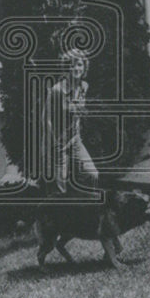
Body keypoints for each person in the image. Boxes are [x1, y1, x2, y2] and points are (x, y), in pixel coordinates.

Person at [42, 47, 100, 198]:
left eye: (79, 64)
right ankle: (56, 219)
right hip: (57, 143)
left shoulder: (84, 87)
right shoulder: (57, 90)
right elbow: (46, 119)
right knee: (59, 188)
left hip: (74, 140)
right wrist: (54, 145)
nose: (76, 68)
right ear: (66, 67)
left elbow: (78, 114)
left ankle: (88, 211)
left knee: (92, 174)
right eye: (72, 65)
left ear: (84, 66)